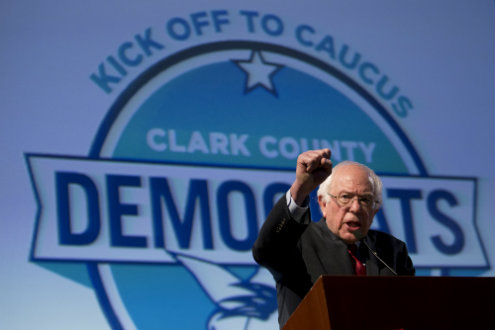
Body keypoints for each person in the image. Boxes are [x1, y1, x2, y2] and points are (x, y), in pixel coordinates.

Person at [252, 149, 415, 328]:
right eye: (345, 197)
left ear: (374, 209)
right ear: (323, 203)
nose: (355, 208)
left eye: (365, 200)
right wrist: (301, 188)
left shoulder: (391, 249)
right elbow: (265, 251)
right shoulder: (298, 241)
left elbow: (413, 312)